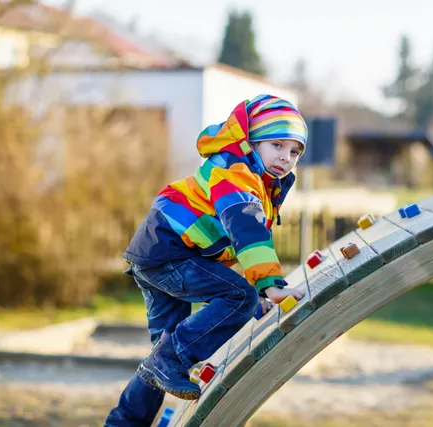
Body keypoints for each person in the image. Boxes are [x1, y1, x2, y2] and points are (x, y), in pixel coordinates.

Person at [105, 94, 307, 426]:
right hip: (170, 251)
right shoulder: (234, 174)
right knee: (234, 299)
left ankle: (123, 423)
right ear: (251, 142)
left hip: (158, 251)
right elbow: (247, 230)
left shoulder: (254, 180)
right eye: (277, 145)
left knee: (163, 359)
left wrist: (257, 296)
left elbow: (232, 246)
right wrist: (269, 285)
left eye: (294, 151)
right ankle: (169, 361)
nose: (286, 157)